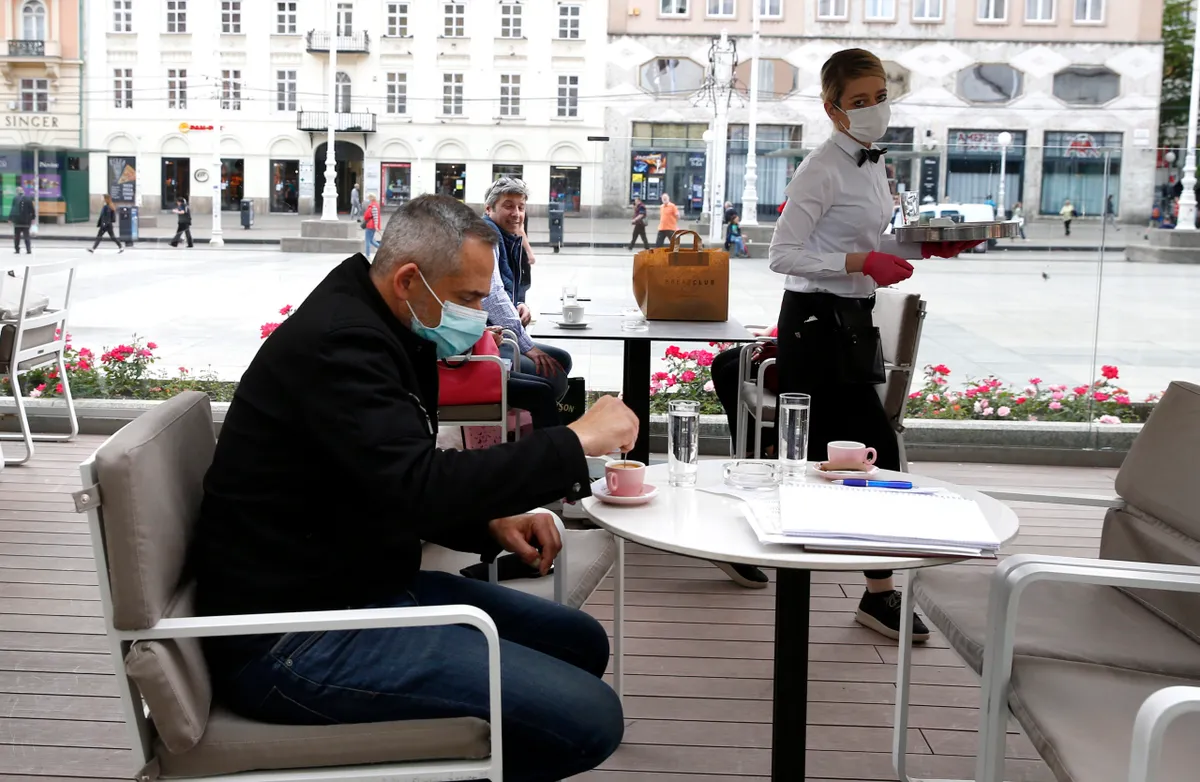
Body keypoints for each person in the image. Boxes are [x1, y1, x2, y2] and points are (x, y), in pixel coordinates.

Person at [191, 195, 634, 782]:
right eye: (469, 298)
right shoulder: (341, 345)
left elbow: (385, 478)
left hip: (357, 582)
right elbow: (417, 485)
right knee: (590, 718)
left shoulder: (380, 324)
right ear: (408, 280)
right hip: (291, 635)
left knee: (578, 642)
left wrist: (489, 522)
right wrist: (573, 441)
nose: (479, 316)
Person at [769, 48, 979, 642]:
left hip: (850, 320)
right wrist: (860, 263)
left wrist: (923, 247)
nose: (873, 109)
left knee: (845, 455)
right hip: (814, 324)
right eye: (858, 101)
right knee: (859, 453)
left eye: (880, 96)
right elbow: (782, 255)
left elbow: (862, 240)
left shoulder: (871, 163)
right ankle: (872, 592)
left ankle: (866, 589)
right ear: (832, 109)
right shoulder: (820, 169)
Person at [480, 178, 573, 415]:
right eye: (508, 206)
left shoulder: (506, 237)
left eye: (521, 207)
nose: (517, 213)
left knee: (562, 360)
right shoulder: (486, 237)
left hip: (500, 333)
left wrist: (520, 304)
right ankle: (525, 428)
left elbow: (506, 288)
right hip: (484, 339)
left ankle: (525, 421)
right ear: (489, 209)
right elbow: (492, 295)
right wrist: (527, 346)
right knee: (553, 379)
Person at [10, 186, 33, 254]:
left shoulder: (15, 199)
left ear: (17, 192)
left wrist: (10, 218)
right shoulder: (28, 199)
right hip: (26, 221)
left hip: (17, 220)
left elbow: (13, 209)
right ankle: (28, 249)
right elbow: (32, 209)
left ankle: (17, 249)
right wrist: (33, 218)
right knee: (26, 236)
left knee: (17, 236)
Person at [363, 193, 382, 258]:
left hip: (370, 225)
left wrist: (376, 226)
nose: (368, 198)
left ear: (372, 198)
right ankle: (381, 249)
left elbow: (375, 217)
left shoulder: (373, 206)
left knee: (368, 241)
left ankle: (367, 255)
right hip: (372, 225)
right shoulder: (375, 205)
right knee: (371, 240)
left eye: (369, 197)